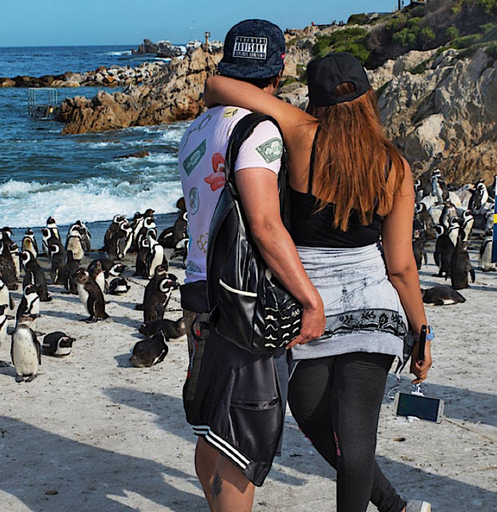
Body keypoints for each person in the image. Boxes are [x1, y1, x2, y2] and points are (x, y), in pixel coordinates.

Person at [204, 52, 433, 512]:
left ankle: (390, 506)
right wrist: (420, 329)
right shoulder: (394, 165)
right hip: (354, 310)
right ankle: (394, 506)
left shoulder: (301, 132)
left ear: (316, 100)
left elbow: (215, 87)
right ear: (369, 99)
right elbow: (402, 267)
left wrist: (288, 108)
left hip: (314, 309)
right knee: (325, 422)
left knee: (346, 438)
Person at [178, 19, 325, 512]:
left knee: (210, 425)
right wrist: (308, 297)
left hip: (199, 287)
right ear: (278, 71)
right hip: (243, 299)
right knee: (242, 441)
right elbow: (264, 226)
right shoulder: (259, 129)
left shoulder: (197, 128)